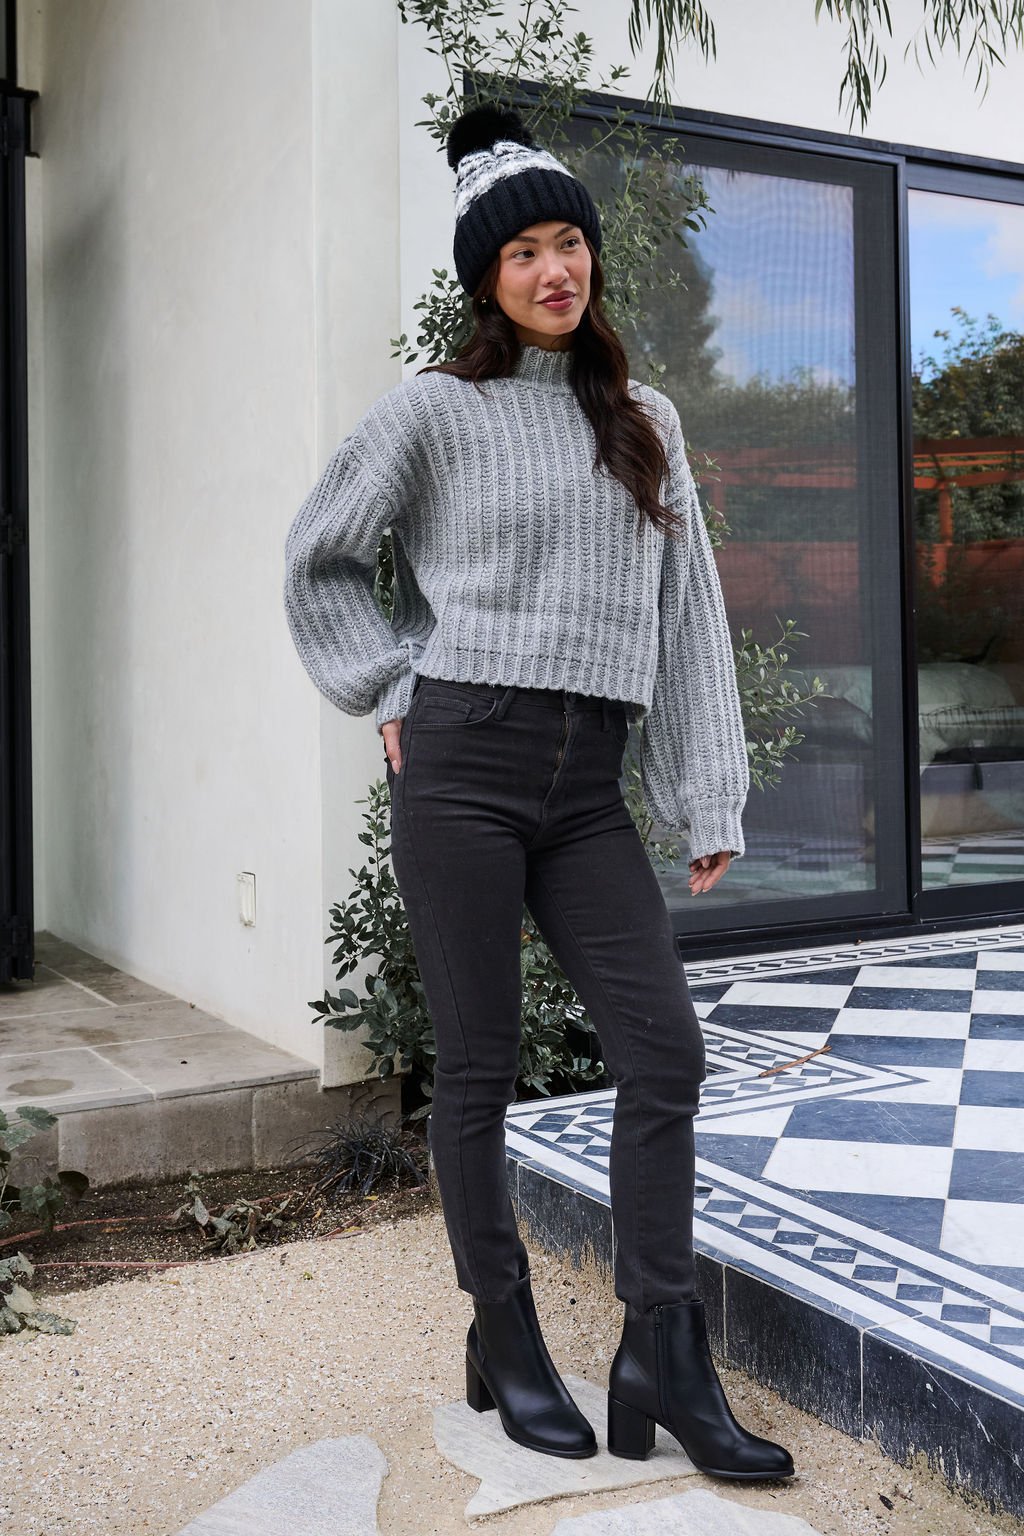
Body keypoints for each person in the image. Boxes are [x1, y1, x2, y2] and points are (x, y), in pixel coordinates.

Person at [283, 101, 794, 1482]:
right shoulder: (432, 415)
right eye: (526, 255)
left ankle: (662, 1349)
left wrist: (707, 791)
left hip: (587, 785)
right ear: (487, 280)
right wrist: (390, 686)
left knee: (664, 1052)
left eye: (571, 243)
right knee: (483, 1067)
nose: (557, 269)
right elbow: (321, 556)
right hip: (463, 765)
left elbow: (689, 614)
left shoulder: (644, 419)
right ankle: (503, 1331)